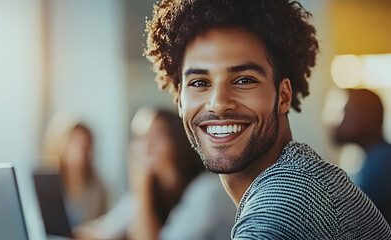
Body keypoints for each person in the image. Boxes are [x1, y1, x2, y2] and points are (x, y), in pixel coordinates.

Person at [144, 0, 391, 239]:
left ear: (283, 96)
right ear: (179, 102)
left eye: (244, 80)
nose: (218, 103)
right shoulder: (298, 178)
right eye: (200, 83)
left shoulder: (287, 204)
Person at [74, 107, 235, 240]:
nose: (146, 145)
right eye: (139, 137)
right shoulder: (149, 186)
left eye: (157, 135)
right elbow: (104, 230)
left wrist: (142, 191)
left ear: (178, 140)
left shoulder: (208, 191)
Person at [333, 88, 391, 225]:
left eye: (346, 111)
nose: (341, 120)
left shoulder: (382, 164)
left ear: (368, 116)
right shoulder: (378, 158)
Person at [42, 121, 107, 229]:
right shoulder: (46, 186)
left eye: (86, 144)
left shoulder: (99, 189)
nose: (81, 149)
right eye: (75, 142)